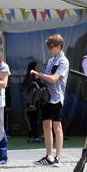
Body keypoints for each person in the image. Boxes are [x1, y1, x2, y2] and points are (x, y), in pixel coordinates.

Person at [30, 34, 68, 165]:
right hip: (46, 97)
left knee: (57, 126)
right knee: (46, 125)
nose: (50, 50)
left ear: (59, 46)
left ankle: (58, 157)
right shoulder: (51, 60)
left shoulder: (64, 61)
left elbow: (53, 78)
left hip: (57, 97)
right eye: (49, 47)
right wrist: (38, 77)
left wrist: (39, 74)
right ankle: (48, 156)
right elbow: (47, 78)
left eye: (52, 47)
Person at [22, 59, 44, 142]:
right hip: (31, 102)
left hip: (35, 101)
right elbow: (34, 86)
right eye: (37, 66)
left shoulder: (34, 78)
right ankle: (34, 136)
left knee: (34, 119)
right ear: (33, 68)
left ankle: (33, 135)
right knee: (33, 119)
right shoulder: (30, 78)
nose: (38, 68)